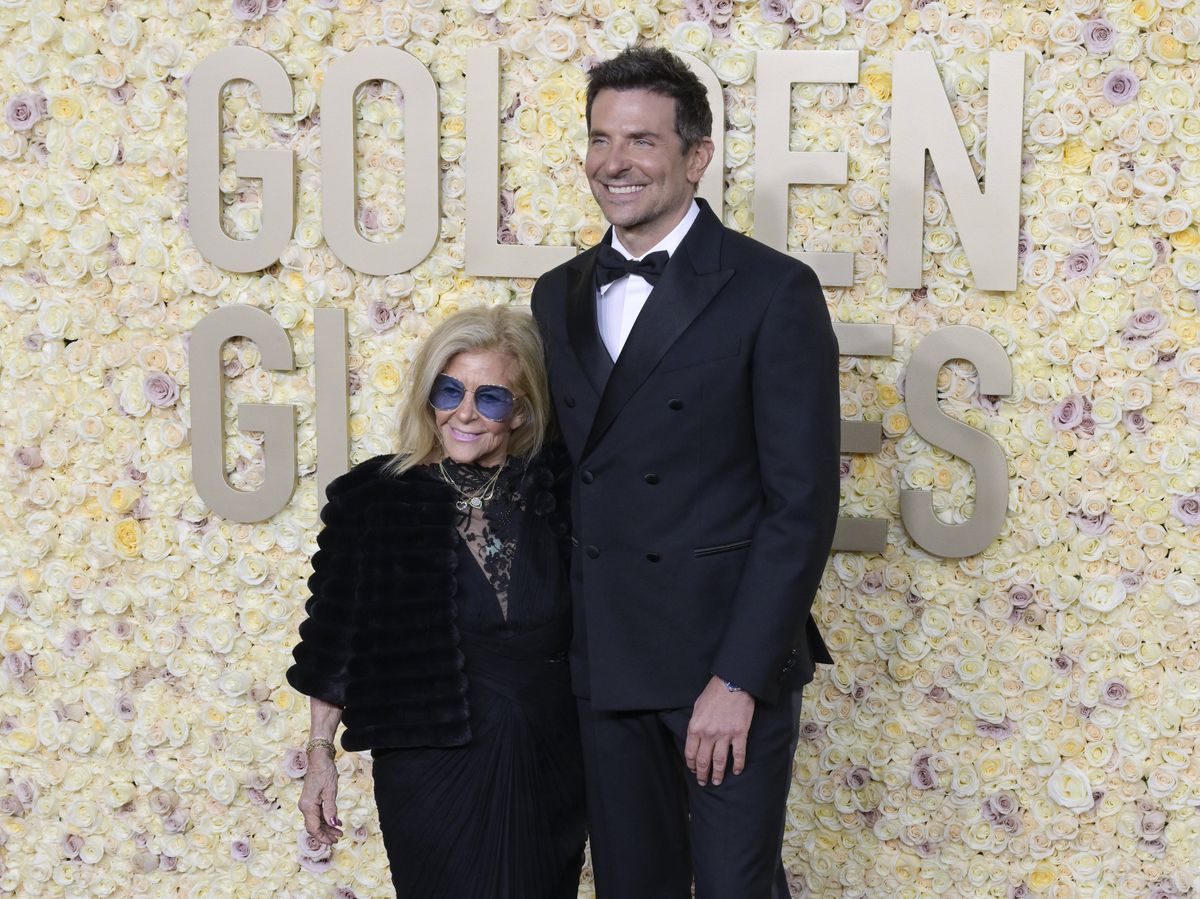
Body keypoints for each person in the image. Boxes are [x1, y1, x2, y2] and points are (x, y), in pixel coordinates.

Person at [530, 46, 840, 898]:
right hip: (607, 661)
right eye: (600, 138)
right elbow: (559, 480)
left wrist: (737, 678)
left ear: (695, 157)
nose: (613, 162)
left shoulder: (772, 290)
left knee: (737, 890)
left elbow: (800, 506)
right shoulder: (555, 293)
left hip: (722, 662)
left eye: (641, 140)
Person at [287, 306, 585, 899]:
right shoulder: (375, 496)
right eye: (450, 391)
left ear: (522, 410)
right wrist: (320, 753)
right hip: (428, 756)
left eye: (491, 398)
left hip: (549, 750)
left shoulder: (561, 491)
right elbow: (333, 641)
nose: (465, 413)